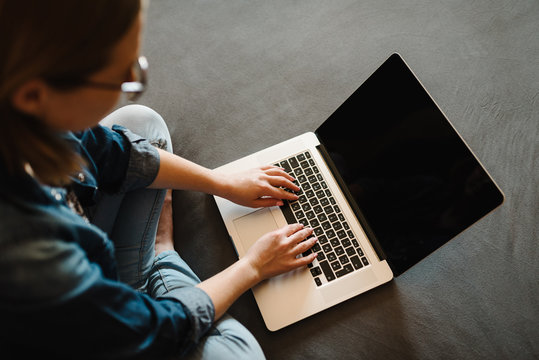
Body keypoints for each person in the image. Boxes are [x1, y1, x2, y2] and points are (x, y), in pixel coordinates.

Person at [0, 1, 318, 359]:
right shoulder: (29, 259)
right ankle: (162, 256)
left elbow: (115, 152)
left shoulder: (23, 114)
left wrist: (221, 182)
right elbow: (156, 333)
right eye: (121, 75)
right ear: (33, 95)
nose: (130, 83)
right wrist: (253, 267)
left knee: (141, 123)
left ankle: (145, 270)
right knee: (241, 355)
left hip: (85, 273)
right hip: (88, 332)